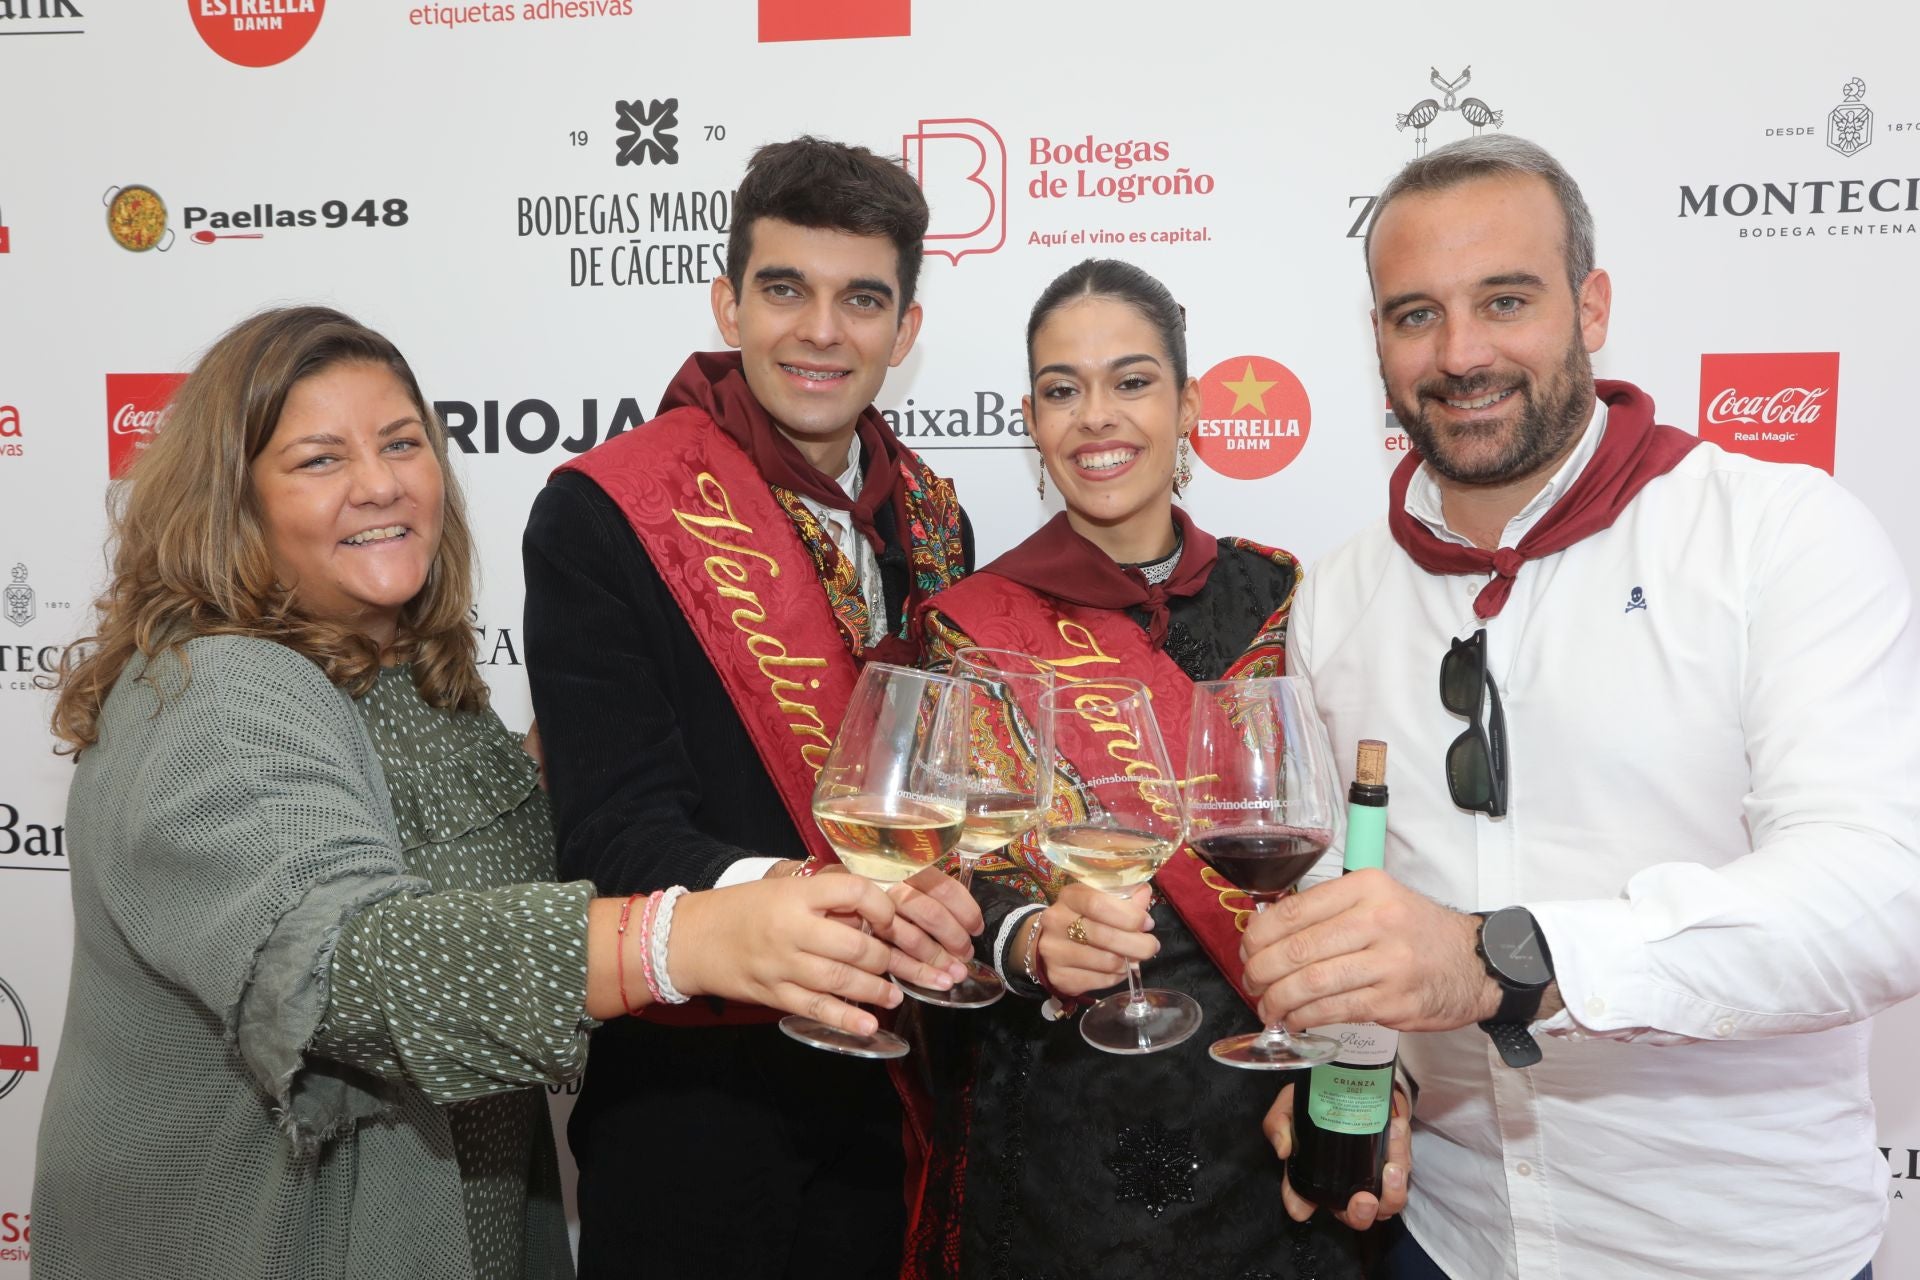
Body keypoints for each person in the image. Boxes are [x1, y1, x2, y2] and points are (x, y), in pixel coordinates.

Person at [30, 306, 916, 1280]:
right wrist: (690, 937)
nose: (382, 482)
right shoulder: (219, 689)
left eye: (403, 442)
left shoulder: (420, 689)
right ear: (231, 500)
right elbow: (341, 961)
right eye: (321, 459)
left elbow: (568, 856)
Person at [1242, 134, 1920, 1280]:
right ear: (1377, 340)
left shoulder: (1776, 531)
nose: (1462, 353)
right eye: (1416, 314)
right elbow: (1351, 899)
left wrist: (1505, 958)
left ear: (1591, 304)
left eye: (1505, 299)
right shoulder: (1341, 593)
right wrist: (1368, 1071)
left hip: (1739, 1253)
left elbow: (1882, 891)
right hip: (1446, 1242)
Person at [521, 136, 981, 1278]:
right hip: (696, 1115)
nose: (821, 330)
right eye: (785, 289)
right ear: (729, 302)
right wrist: (793, 896)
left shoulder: (931, 521)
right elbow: (614, 830)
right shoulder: (607, 511)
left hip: (891, 1100)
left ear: (904, 331)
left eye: (860, 298)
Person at [904, 258, 1377, 1279]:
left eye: (1131, 380)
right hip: (1069, 1121)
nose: (1095, 417)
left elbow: (1348, 847)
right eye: (1062, 389)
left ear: (1190, 403)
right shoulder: (976, 626)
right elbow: (942, 877)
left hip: (1272, 1102)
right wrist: (1027, 936)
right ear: (1030, 417)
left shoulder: (1282, 594)